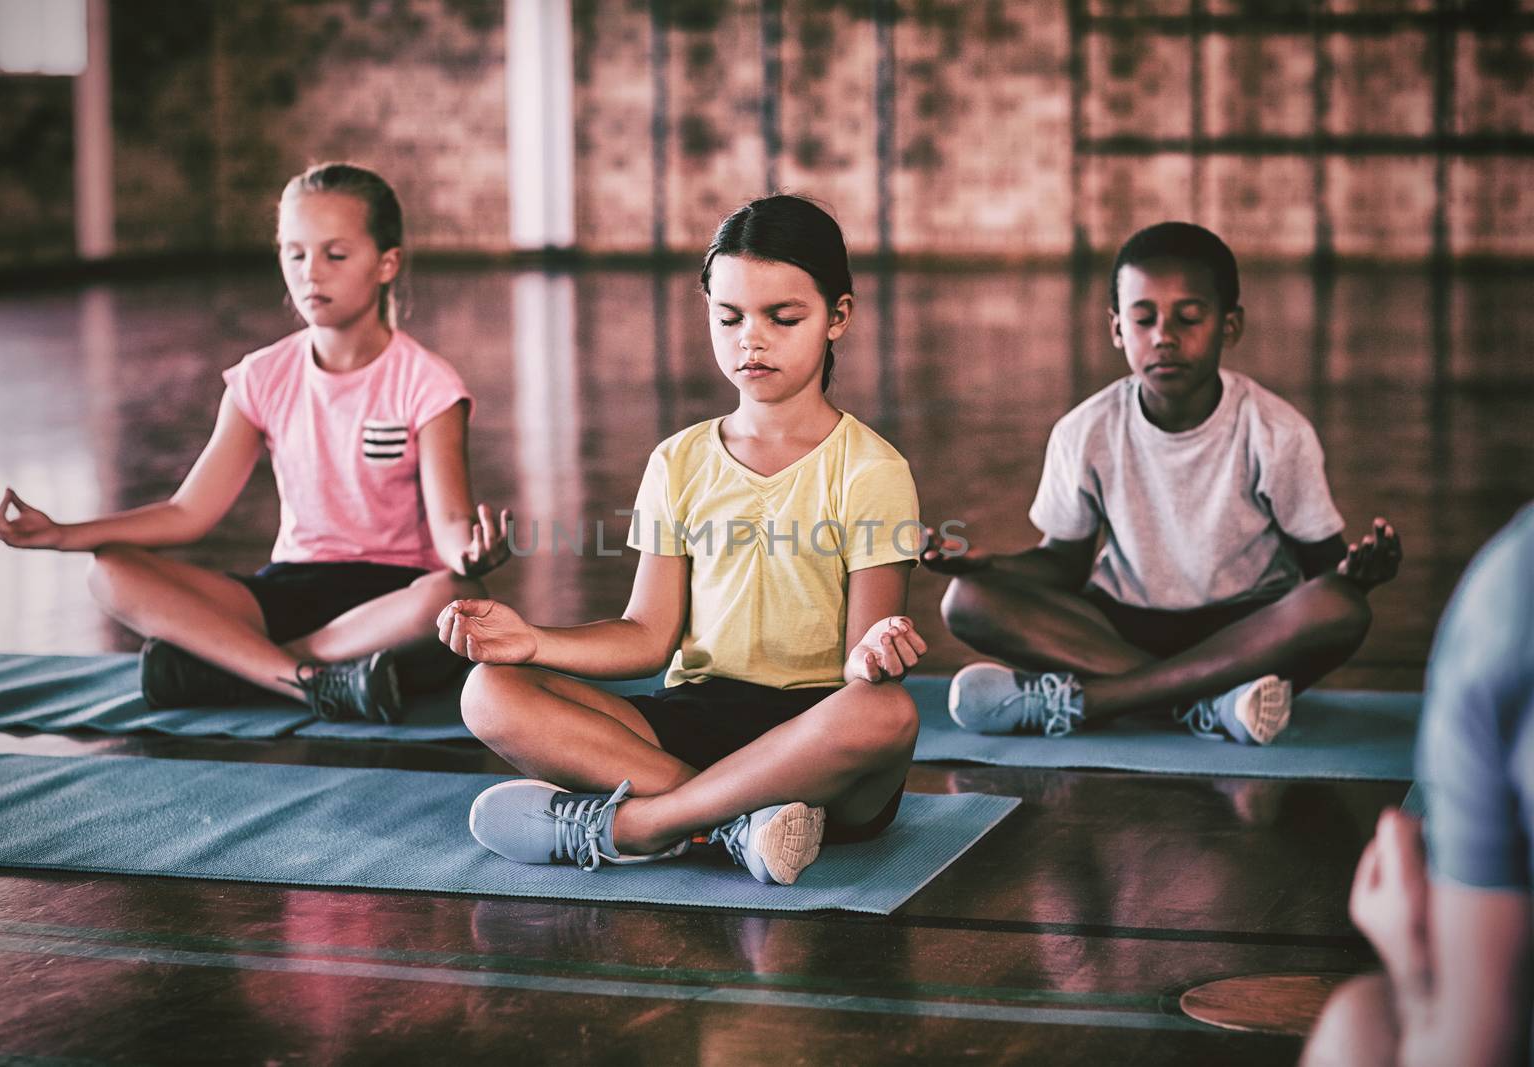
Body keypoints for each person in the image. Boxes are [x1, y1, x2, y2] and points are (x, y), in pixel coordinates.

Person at [440, 194, 924, 885]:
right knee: (487, 690)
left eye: (782, 318)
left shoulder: (874, 470)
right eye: (728, 318)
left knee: (886, 711)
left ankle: (639, 824)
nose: (750, 340)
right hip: (695, 718)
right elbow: (647, 634)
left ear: (837, 317)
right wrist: (533, 642)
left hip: (815, 742)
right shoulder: (679, 459)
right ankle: (733, 824)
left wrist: (876, 657)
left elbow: (860, 668)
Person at [0, 162, 508, 723]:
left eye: (335, 254)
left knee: (454, 592)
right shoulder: (261, 376)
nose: (311, 274)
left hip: (392, 599)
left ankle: (233, 667)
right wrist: (64, 535)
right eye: (295, 253)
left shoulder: (428, 384)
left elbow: (452, 526)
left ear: (386, 264)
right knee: (108, 571)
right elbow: (188, 512)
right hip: (286, 591)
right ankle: (306, 681)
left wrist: (470, 552)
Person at [926, 221, 1400, 743]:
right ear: (1117, 330)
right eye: (1144, 318)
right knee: (968, 599)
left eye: (1189, 317)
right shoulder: (1085, 430)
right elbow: (1064, 563)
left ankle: (1089, 701)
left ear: (1230, 326)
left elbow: (1322, 574)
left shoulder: (1276, 431)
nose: (1164, 337)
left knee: (1342, 607)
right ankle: (1211, 704)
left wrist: (1358, 576)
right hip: (1123, 625)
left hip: (1245, 632)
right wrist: (991, 565)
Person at [1302, 505, 1533, 1067]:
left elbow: (1465, 1052)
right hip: (1164, 644)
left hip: (1240, 643)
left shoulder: (1511, 597)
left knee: (1359, 1025)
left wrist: (1412, 964)